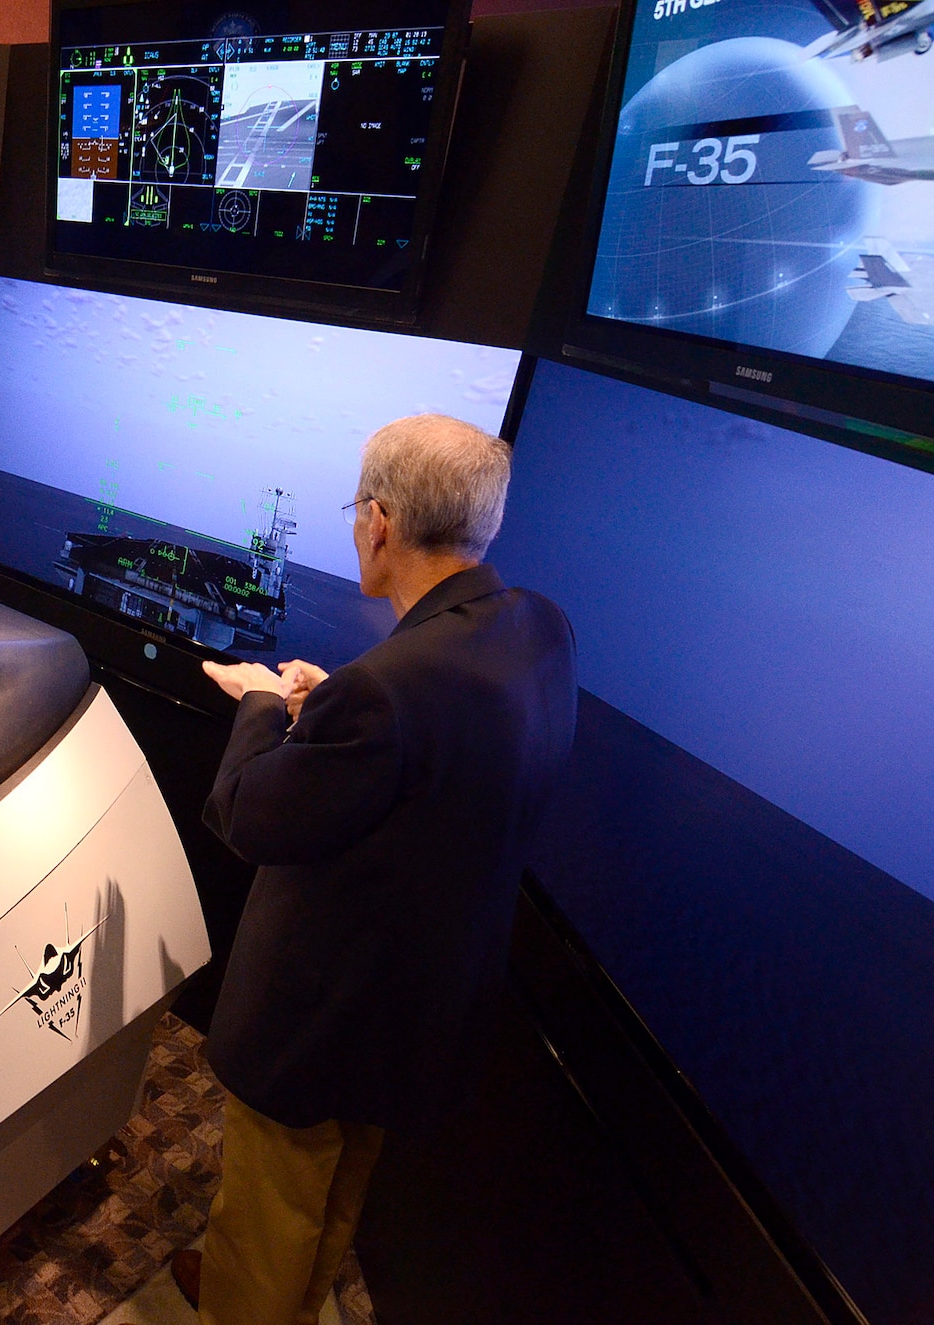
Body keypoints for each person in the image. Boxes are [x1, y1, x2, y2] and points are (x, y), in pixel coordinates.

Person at [171, 415, 577, 1324]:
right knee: (341, 1188)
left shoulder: (386, 692)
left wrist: (264, 703)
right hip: (419, 1005)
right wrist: (332, 710)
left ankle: (248, 1304)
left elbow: (247, 814)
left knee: (269, 1209)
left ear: (381, 522)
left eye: (358, 507)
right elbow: (444, 758)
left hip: (321, 1012)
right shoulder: (538, 630)